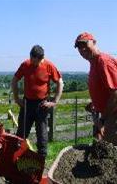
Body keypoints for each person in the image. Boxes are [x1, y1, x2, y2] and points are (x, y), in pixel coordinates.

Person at [11, 44, 63, 182]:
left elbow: (60, 83)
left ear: (42, 58)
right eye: (32, 60)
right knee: (21, 135)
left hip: (42, 105)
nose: (34, 64)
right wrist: (17, 99)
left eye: (37, 62)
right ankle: (18, 165)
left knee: (42, 136)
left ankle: (39, 169)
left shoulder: (49, 66)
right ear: (30, 57)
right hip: (27, 104)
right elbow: (15, 80)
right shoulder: (25, 64)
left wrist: (54, 101)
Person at [75, 32, 117, 145]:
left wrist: (103, 119)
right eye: (79, 46)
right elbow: (104, 90)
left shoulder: (103, 61)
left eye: (84, 44)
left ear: (94, 42)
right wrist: (95, 103)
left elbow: (115, 93)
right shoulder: (93, 63)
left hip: (113, 117)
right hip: (106, 115)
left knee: (111, 152)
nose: (82, 49)